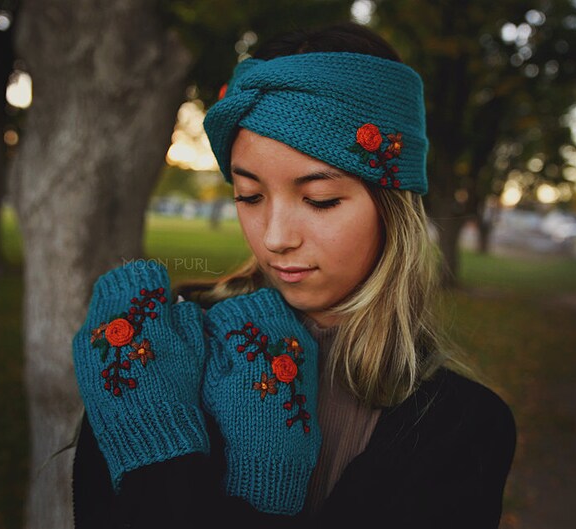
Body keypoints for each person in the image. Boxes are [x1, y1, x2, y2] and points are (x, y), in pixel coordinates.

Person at [70, 22, 517, 529]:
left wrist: (174, 471)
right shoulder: (160, 349)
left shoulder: (464, 428)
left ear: (393, 207)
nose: (275, 237)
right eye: (250, 196)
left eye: (320, 200)